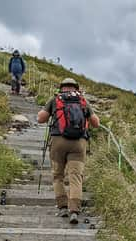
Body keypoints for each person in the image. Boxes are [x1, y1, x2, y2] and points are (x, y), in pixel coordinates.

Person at [37, 78, 100, 224]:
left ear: (62, 88)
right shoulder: (82, 101)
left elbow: (41, 119)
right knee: (76, 176)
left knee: (58, 175)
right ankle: (74, 210)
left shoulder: (55, 99)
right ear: (76, 88)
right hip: (78, 144)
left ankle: (63, 207)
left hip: (58, 142)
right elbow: (96, 123)